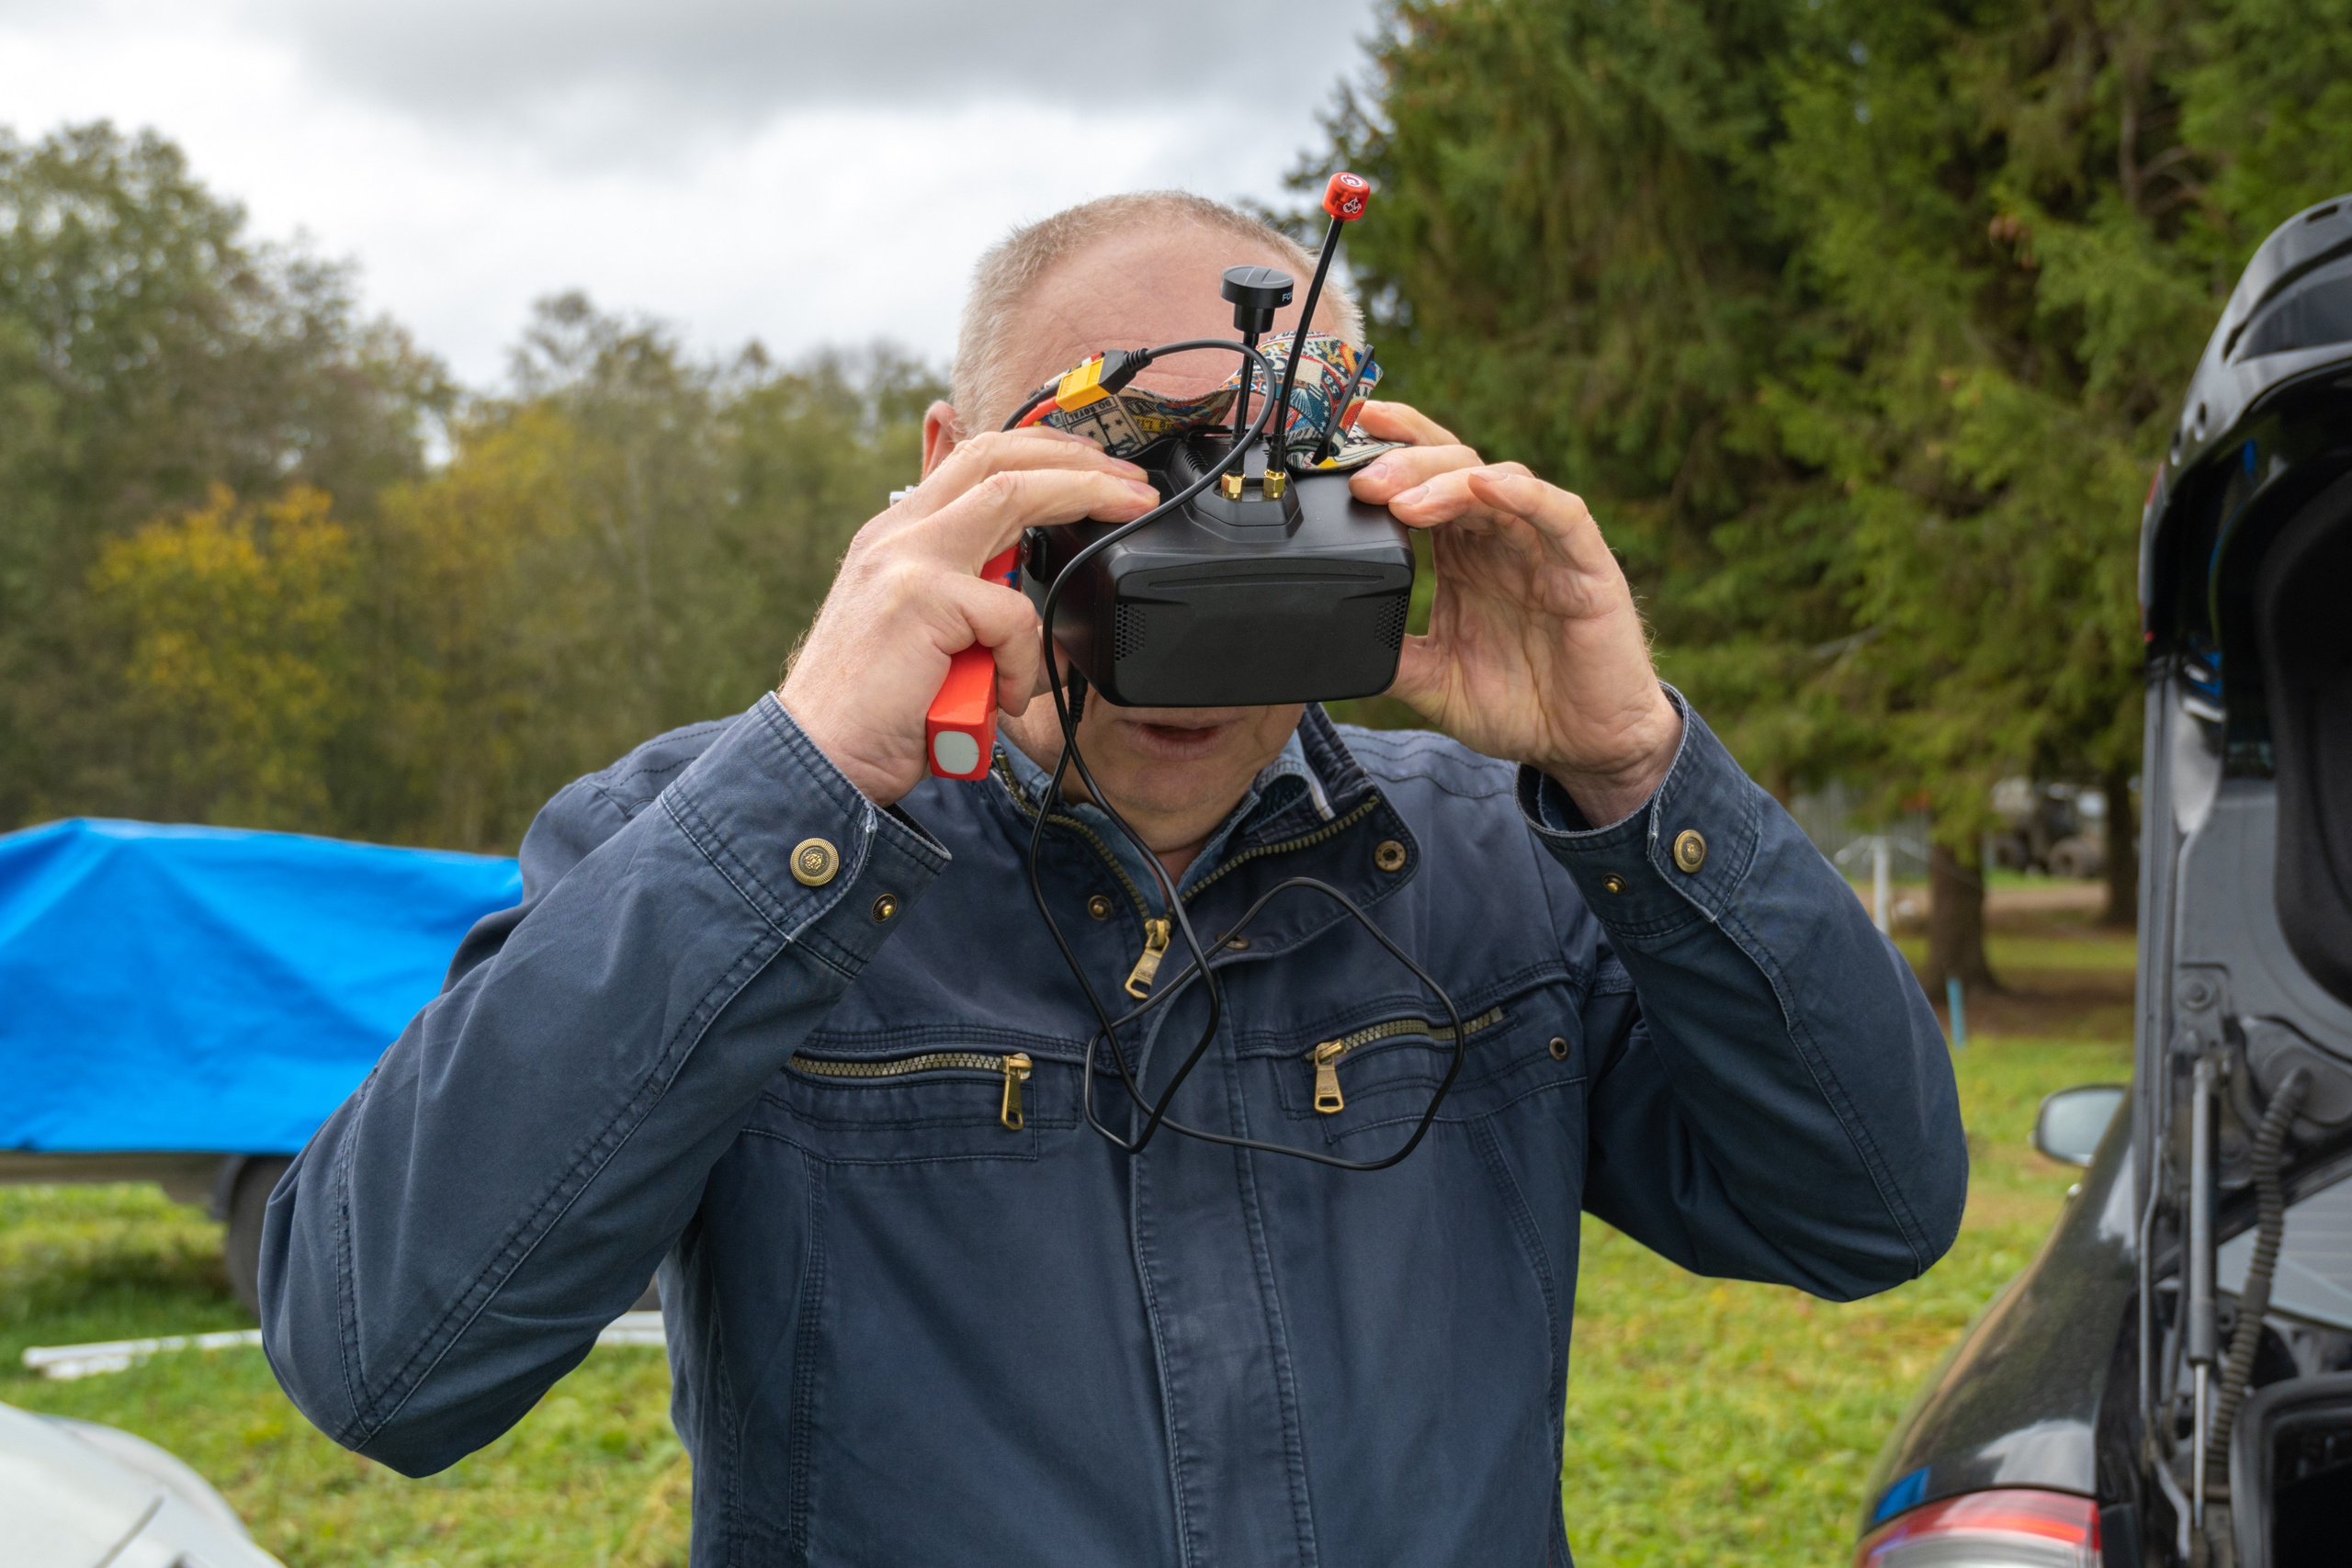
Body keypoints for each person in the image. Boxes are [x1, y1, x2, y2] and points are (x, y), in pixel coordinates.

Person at [260, 192, 1966, 1566]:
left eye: (1274, 470)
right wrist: (803, 795)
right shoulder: (711, 844)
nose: (1195, 555)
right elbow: (383, 1359)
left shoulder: (1494, 861)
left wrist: (1630, 767)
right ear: (951, 463)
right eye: (1131, 463)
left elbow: (1870, 1211)